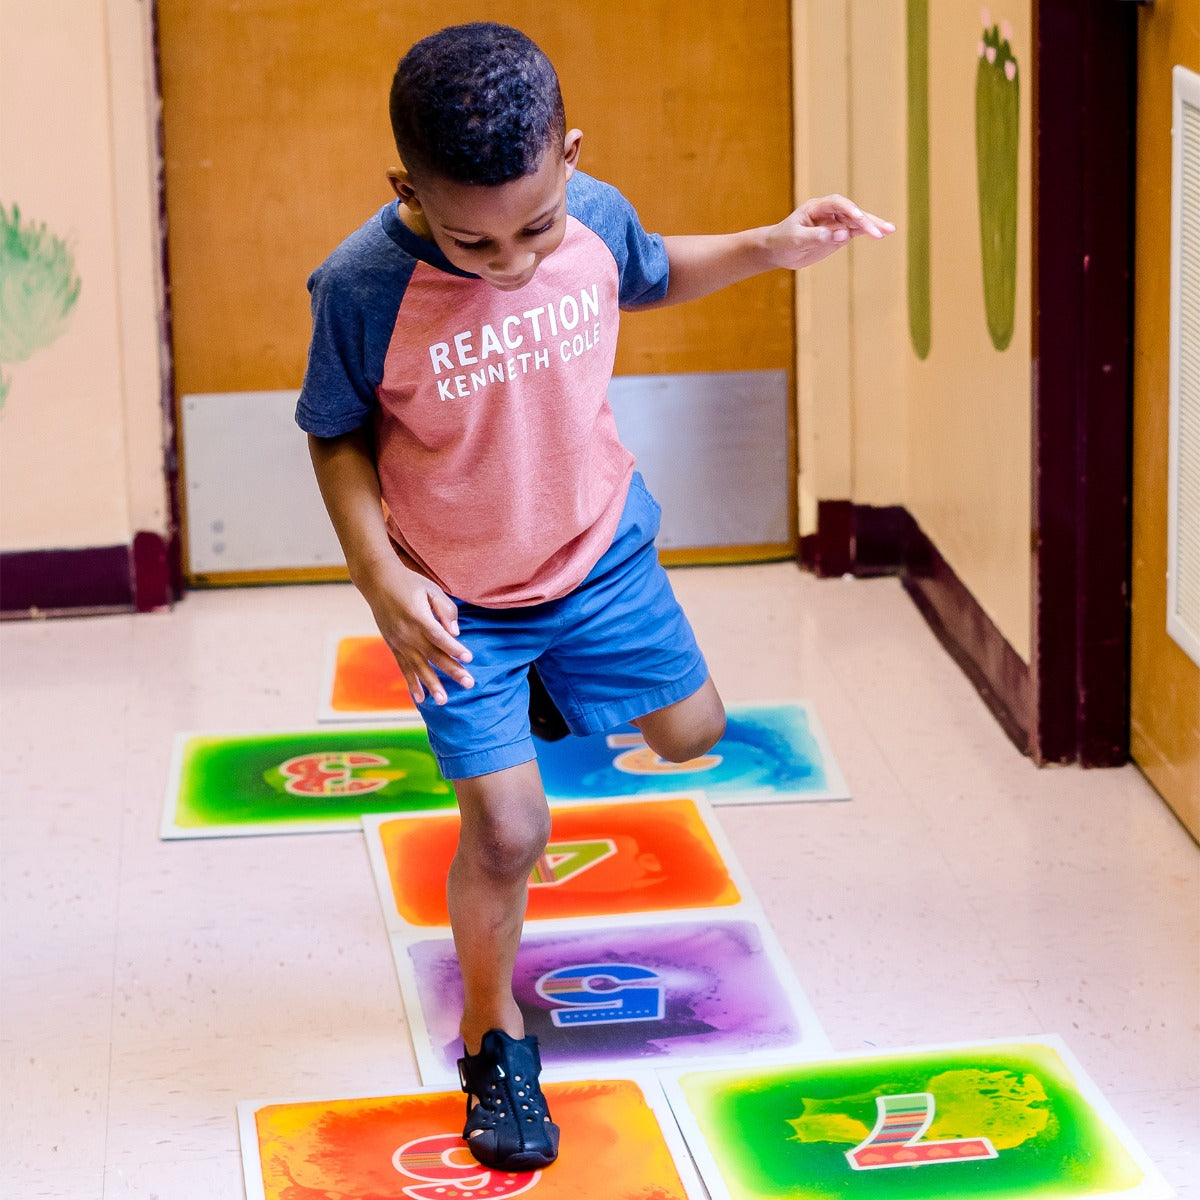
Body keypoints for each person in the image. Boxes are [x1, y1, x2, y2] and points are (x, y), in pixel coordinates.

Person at [298, 21, 893, 1173]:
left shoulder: (597, 214)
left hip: (598, 554)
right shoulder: (364, 286)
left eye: (537, 225)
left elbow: (653, 266)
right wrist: (381, 579)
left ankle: (559, 697)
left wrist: (775, 243)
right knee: (510, 830)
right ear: (406, 190)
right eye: (475, 241)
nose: (514, 259)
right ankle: (493, 1038)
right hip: (458, 598)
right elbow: (333, 436)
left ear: (571, 156)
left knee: (693, 730)